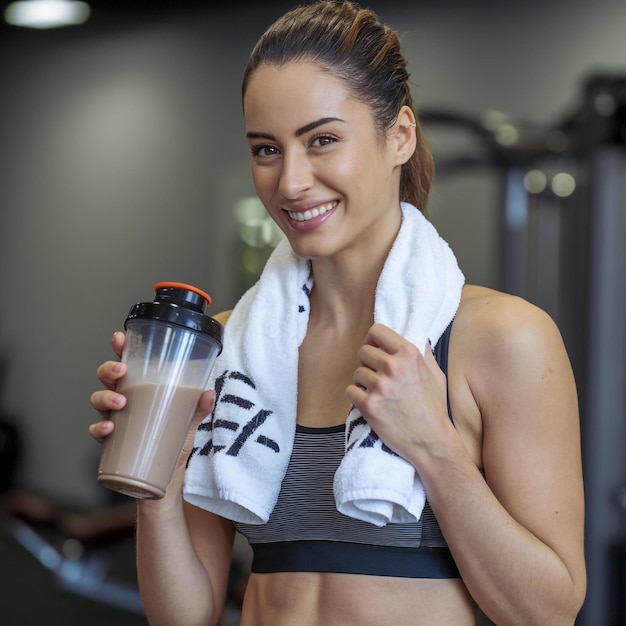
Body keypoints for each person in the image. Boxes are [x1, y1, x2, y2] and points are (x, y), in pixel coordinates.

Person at [89, 2, 586, 624]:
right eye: (266, 149)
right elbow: (185, 615)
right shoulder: (237, 348)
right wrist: (157, 485)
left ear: (400, 135)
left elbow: (550, 611)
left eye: (322, 140)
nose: (291, 181)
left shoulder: (502, 337)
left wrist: (435, 447)